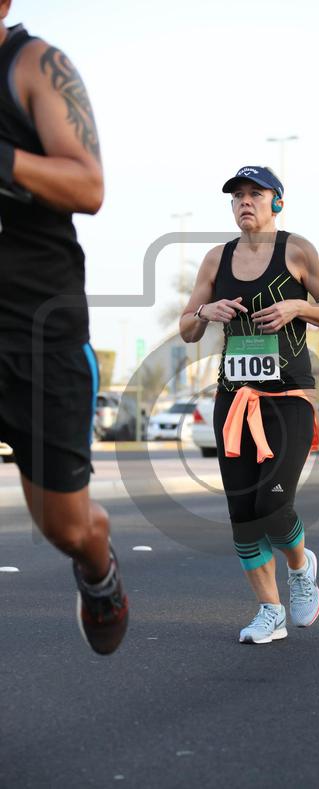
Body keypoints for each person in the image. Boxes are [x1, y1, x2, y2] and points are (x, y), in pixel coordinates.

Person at [0, 3, 128, 653]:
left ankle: (98, 570)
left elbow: (88, 184)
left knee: (66, 526)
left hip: (36, 333)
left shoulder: (34, 65)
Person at [180, 165, 319, 643]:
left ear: (277, 202)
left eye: (256, 193)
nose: (245, 202)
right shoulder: (216, 259)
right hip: (233, 399)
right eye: (237, 195)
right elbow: (187, 328)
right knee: (242, 513)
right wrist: (204, 311)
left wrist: (299, 307)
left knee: (272, 504)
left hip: (287, 398)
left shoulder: (297, 250)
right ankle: (269, 611)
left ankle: (300, 568)